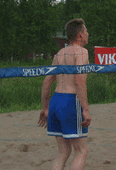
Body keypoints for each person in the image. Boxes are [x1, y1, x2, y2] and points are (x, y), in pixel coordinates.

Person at [38, 18, 91, 170]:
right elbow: (79, 81)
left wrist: (45, 108)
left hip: (56, 101)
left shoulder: (59, 54)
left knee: (63, 152)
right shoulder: (81, 52)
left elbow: (46, 83)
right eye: (86, 31)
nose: (88, 34)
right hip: (70, 101)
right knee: (81, 151)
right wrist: (85, 109)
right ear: (80, 35)